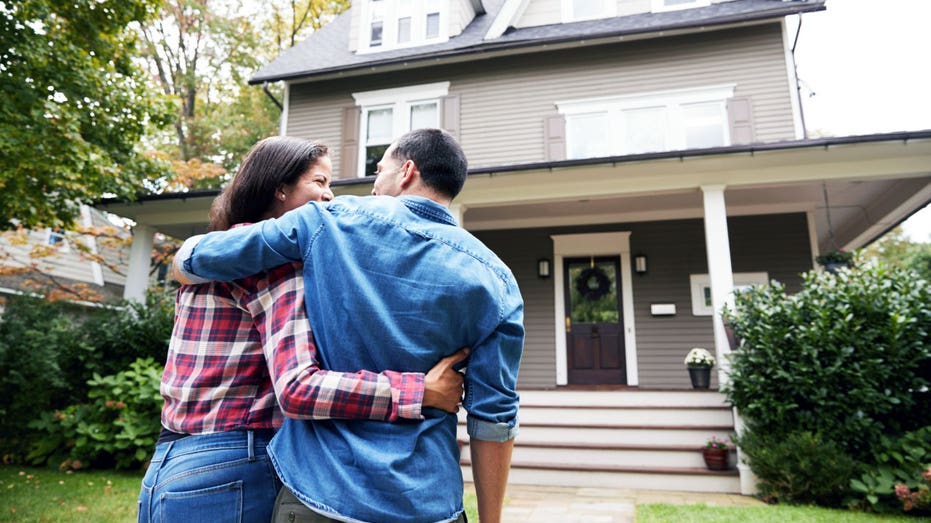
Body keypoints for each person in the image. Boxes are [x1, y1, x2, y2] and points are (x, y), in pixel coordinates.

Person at [173, 128, 523, 523]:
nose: (372, 186)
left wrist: (183, 259)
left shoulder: (326, 222)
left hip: (321, 494)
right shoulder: (498, 280)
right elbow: (494, 418)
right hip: (427, 500)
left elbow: (199, 257)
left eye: (379, 171)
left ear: (406, 172)